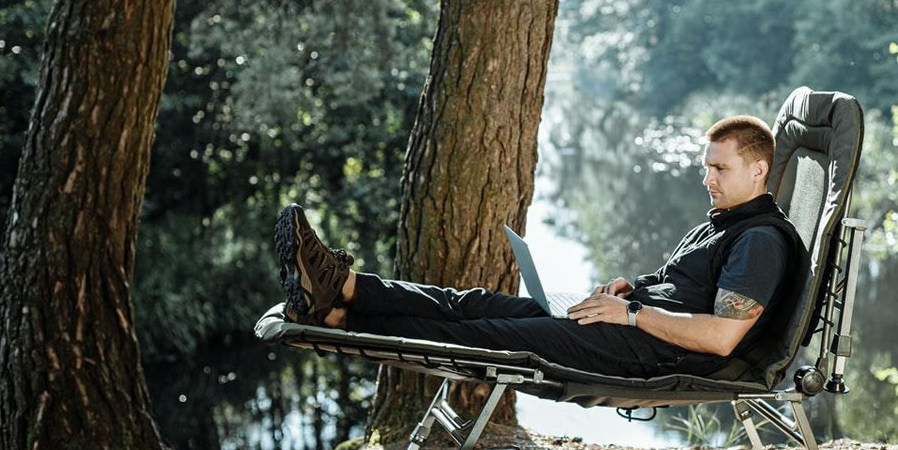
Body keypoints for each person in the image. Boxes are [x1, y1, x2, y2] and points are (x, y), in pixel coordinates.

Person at [275, 115, 806, 380]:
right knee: (472, 304)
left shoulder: (759, 241)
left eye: (720, 169)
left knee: (486, 337)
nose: (707, 179)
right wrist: (632, 289)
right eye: (706, 167)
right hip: (630, 326)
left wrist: (631, 313)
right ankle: (342, 285)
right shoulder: (727, 221)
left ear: (758, 170)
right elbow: (684, 289)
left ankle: (338, 320)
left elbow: (721, 338)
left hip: (653, 352)